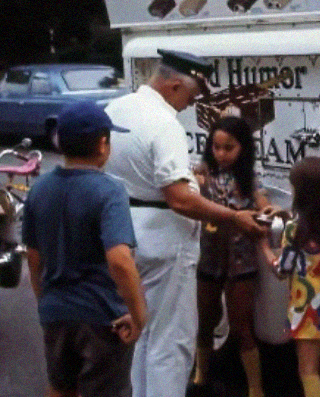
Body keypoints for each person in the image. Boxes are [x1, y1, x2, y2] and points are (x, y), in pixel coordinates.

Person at [104, 49, 266, 397]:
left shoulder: (115, 110)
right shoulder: (164, 124)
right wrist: (233, 216)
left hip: (123, 231)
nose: (190, 105)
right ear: (174, 85)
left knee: (142, 331)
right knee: (171, 343)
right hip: (165, 241)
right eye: (190, 96)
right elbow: (178, 197)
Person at [22, 100, 147, 397]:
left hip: (55, 311)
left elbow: (33, 256)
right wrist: (139, 314)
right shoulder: (110, 191)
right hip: (101, 315)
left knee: (60, 386)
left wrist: (46, 301)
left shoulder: (39, 188)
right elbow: (119, 260)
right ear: (103, 144)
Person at [193, 116, 273, 397]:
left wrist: (269, 212)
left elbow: (262, 203)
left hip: (241, 261)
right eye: (216, 147)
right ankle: (200, 375)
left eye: (229, 148)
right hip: (209, 258)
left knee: (243, 326)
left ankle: (255, 387)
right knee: (205, 319)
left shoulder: (249, 177)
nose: (221, 154)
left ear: (243, 149)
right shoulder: (202, 172)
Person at [258, 157, 320, 397]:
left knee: (308, 370)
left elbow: (281, 270)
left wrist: (264, 247)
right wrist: (287, 216)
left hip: (307, 308)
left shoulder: (294, 231)